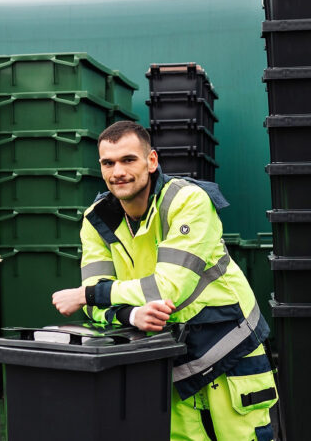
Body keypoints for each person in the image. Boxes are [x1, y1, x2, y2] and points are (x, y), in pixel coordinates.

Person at [50, 121, 277, 441]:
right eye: (108, 163)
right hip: (164, 358)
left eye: (129, 160)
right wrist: (129, 314)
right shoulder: (96, 219)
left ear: (151, 161)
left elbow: (166, 288)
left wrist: (87, 294)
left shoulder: (189, 201)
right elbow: (95, 307)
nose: (118, 172)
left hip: (227, 351)